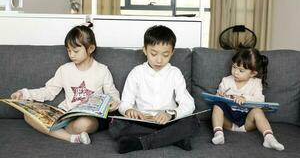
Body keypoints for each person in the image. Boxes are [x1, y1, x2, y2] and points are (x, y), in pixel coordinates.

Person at [10, 24, 120, 144]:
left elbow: (112, 93)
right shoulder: (64, 69)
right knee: (28, 115)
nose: (71, 55)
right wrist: (24, 93)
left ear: (91, 49)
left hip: (88, 117)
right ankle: (71, 138)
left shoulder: (102, 70)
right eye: (68, 50)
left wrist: (113, 102)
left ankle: (60, 130)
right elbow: (49, 91)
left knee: (85, 124)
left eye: (76, 51)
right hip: (64, 113)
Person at [109, 25, 198, 154]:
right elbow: (125, 103)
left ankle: (141, 143)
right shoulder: (136, 73)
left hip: (168, 122)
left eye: (165, 55)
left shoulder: (175, 73)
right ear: (145, 50)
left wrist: (171, 114)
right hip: (142, 122)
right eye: (154, 54)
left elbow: (188, 103)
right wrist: (129, 110)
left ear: (172, 52)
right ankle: (174, 138)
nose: (159, 60)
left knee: (193, 122)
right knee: (115, 124)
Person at [211, 48, 284, 151]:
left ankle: (269, 138)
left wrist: (245, 98)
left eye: (241, 70)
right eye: (234, 67)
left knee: (257, 111)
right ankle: (218, 134)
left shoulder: (256, 83)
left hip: (247, 123)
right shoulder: (226, 80)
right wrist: (220, 94)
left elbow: (260, 100)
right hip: (228, 121)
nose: (235, 72)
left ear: (253, 73)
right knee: (217, 105)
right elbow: (218, 96)